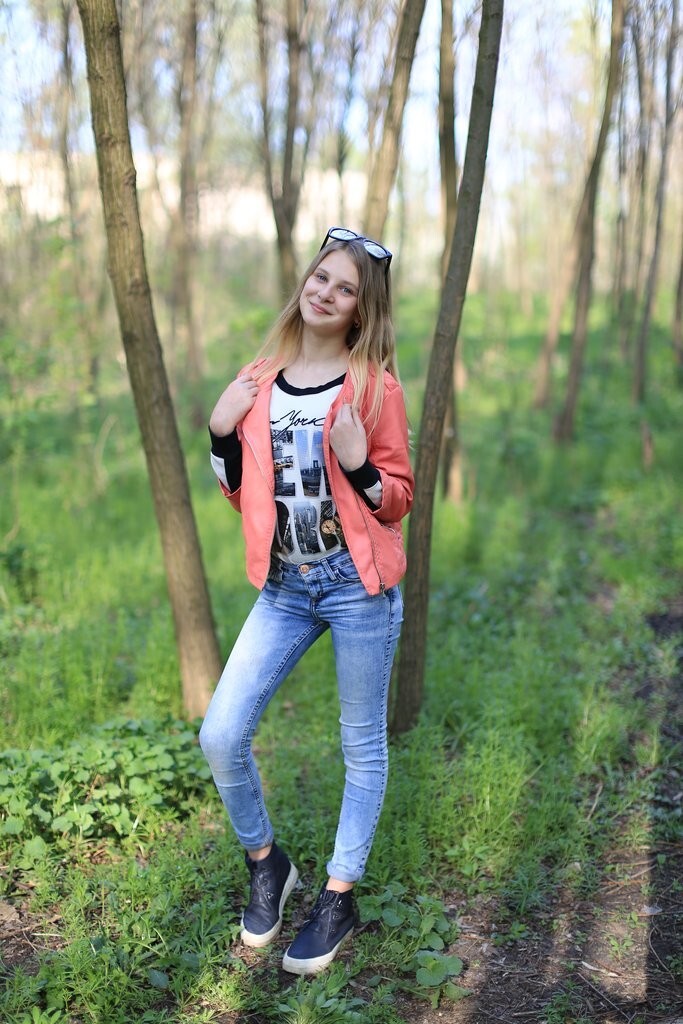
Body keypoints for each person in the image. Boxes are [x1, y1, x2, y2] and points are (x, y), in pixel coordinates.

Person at [199, 227, 414, 975]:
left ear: (360, 309)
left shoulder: (375, 388)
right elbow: (241, 494)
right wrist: (221, 432)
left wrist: (359, 467)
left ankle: (338, 896)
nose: (325, 293)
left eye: (345, 288)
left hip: (357, 586)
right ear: (305, 282)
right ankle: (268, 863)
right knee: (220, 735)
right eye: (321, 278)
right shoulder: (259, 378)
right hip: (285, 588)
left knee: (361, 745)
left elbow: (398, 497)